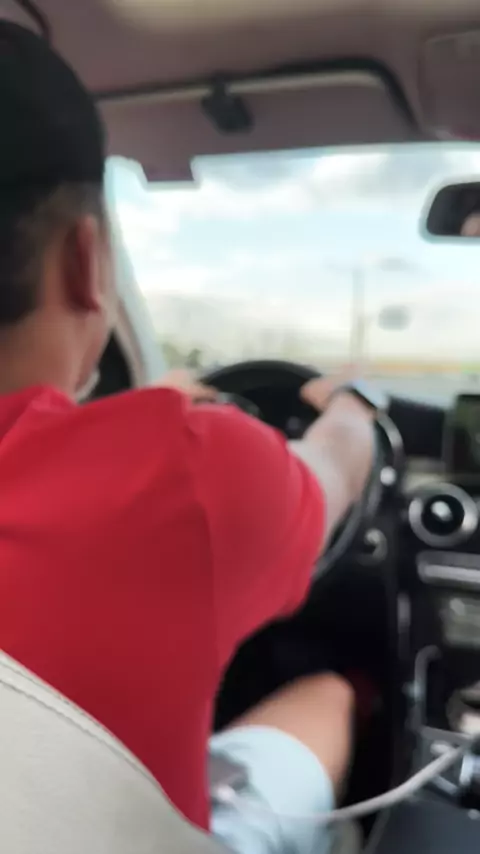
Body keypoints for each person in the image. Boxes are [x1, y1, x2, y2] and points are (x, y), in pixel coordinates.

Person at [0, 21, 376, 854]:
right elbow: (337, 472)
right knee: (328, 695)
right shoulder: (185, 470)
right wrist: (351, 409)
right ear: (86, 261)